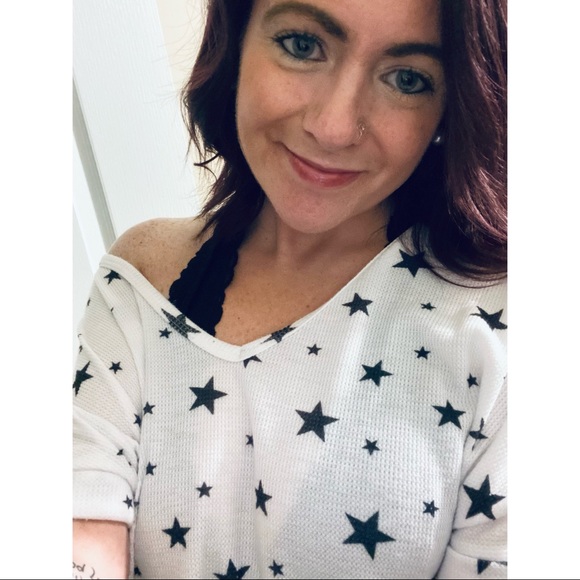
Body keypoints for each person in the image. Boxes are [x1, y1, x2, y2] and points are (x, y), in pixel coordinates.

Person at [73, 0, 507, 578]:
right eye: (303, 45)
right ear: (237, 40)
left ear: (450, 109)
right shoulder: (141, 280)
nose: (334, 127)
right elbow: (80, 521)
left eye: (407, 79)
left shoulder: (499, 330)